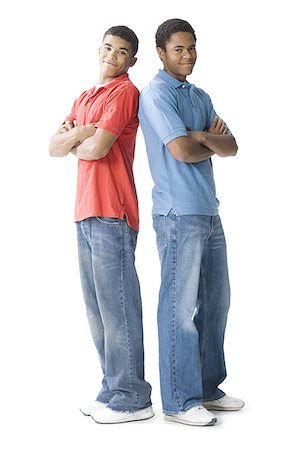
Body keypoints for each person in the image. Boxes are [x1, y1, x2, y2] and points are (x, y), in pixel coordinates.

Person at [139, 18, 244, 426]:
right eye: (178, 49)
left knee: (217, 302)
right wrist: (202, 138)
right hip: (177, 213)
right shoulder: (156, 94)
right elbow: (181, 150)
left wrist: (201, 137)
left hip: (209, 210)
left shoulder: (200, 94)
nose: (187, 56)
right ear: (161, 53)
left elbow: (232, 146)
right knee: (179, 309)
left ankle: (206, 389)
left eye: (191, 48)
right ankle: (180, 402)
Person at [49, 25, 153, 425]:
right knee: (96, 310)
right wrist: (83, 132)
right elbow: (53, 147)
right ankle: (112, 389)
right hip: (84, 211)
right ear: (100, 49)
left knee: (119, 308)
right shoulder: (86, 95)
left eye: (122, 51)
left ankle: (132, 398)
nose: (113, 55)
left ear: (132, 60)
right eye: (108, 48)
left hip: (114, 211)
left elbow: (96, 147)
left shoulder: (125, 93)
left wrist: (79, 135)